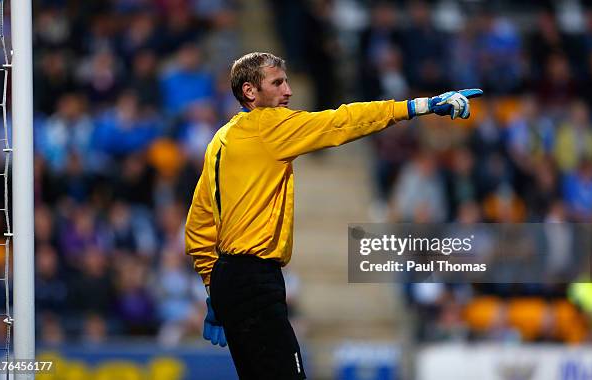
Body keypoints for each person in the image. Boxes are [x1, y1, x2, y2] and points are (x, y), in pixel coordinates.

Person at [185, 52, 482, 379]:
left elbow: (199, 223)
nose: (289, 91)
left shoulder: (220, 140)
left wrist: (214, 285)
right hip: (255, 277)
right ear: (250, 92)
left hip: (228, 277)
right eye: (278, 83)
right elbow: (342, 121)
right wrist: (418, 106)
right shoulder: (268, 126)